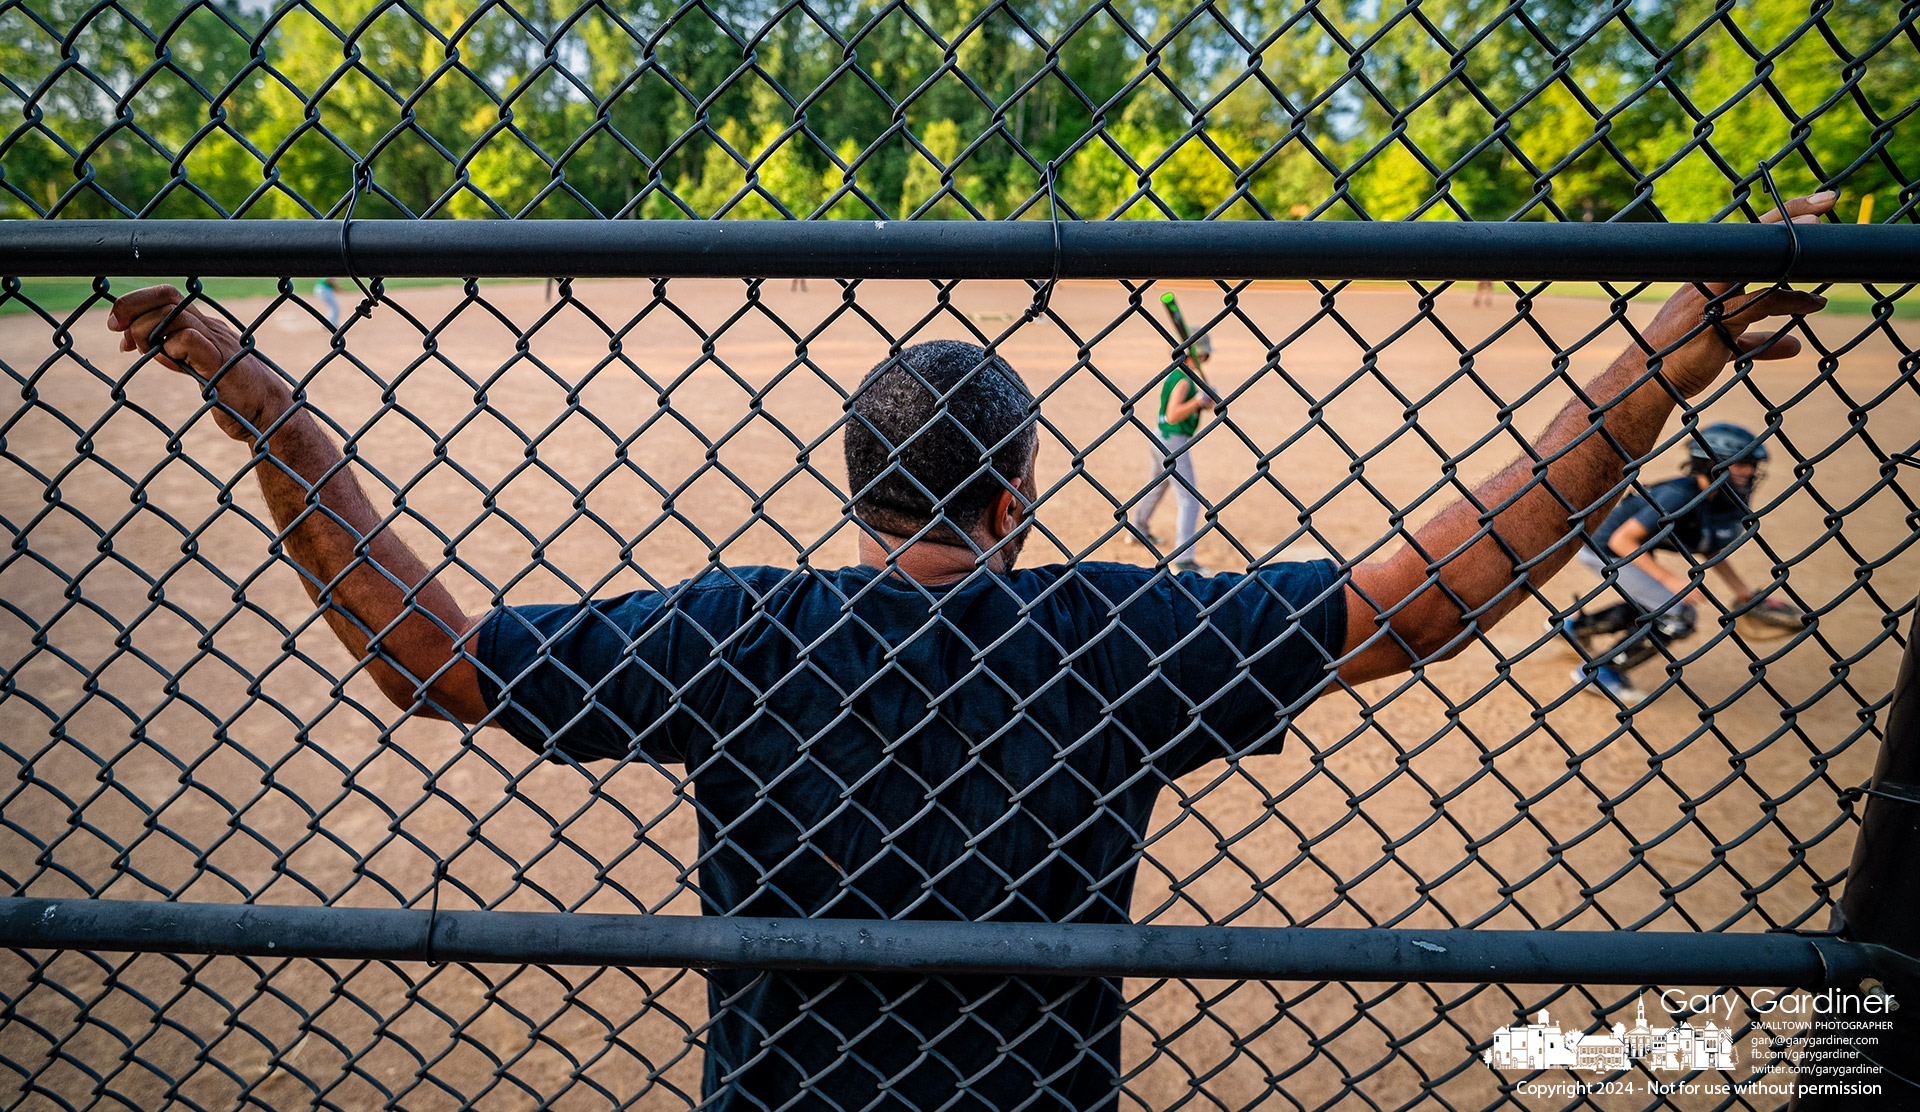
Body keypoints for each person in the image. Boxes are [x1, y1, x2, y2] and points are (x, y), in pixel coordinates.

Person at [105, 191, 1833, 1111]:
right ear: (1025, 487)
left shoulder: (740, 630)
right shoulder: (1115, 632)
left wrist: (278, 411)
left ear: (852, 488)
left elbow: (431, 658)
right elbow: (1430, 591)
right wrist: (1653, 372)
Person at [1559, 421, 1774, 703]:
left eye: (1751, 464)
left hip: (1627, 550)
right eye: (1741, 464)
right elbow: (1622, 541)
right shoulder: (1679, 495)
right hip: (1604, 549)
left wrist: (1743, 593)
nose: (1750, 472)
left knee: (1654, 603)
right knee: (1677, 615)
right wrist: (1671, 581)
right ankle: (1600, 673)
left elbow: (1711, 549)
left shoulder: (1721, 498)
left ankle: (1576, 629)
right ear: (1712, 463)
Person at [1131, 336, 1215, 570]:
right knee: (1189, 499)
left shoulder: (1180, 374)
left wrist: (1204, 401)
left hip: (1160, 437)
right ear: (1196, 355)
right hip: (1173, 442)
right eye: (1205, 354)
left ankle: (1138, 529)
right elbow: (1173, 415)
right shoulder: (1185, 380)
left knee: (1157, 485)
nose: (1207, 358)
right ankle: (1184, 558)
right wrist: (1198, 402)